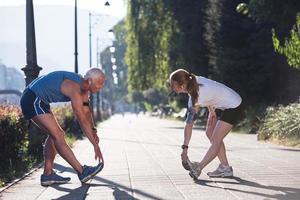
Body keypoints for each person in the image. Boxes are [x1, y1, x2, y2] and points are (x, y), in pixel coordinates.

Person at [20, 68, 105, 186]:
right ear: (89, 81)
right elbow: (81, 118)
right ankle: (82, 171)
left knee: (55, 135)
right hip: (32, 99)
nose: (102, 86)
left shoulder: (84, 90)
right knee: (58, 135)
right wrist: (95, 146)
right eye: (100, 83)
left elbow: (86, 111)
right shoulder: (74, 87)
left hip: (40, 101)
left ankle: (48, 174)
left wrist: (93, 130)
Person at [169, 68, 242, 180]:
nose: (171, 88)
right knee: (210, 133)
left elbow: (189, 124)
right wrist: (211, 109)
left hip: (233, 104)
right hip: (221, 104)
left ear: (182, 85)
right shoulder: (193, 84)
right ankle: (225, 167)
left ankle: (199, 167)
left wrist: (185, 149)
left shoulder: (196, 93)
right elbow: (211, 93)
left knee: (216, 138)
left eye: (173, 85)